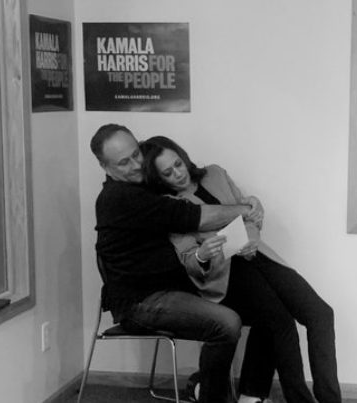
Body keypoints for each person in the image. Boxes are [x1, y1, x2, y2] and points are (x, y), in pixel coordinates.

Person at [141, 135, 342, 403]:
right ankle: (296, 399)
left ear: (183, 156)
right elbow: (189, 259)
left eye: (178, 164)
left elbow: (250, 216)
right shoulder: (170, 205)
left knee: (320, 313)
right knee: (279, 320)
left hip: (257, 255)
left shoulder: (215, 174)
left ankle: (329, 399)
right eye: (167, 173)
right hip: (226, 274)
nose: (178, 173)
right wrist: (202, 254)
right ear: (158, 178)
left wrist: (250, 239)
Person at [90, 123, 264, 403]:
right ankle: (211, 396)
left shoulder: (144, 185)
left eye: (136, 154)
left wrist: (248, 205)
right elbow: (195, 217)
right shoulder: (119, 198)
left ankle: (233, 391)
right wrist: (247, 209)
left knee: (267, 309)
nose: (136, 165)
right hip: (142, 302)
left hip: (181, 287)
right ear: (105, 167)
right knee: (227, 323)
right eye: (124, 162)